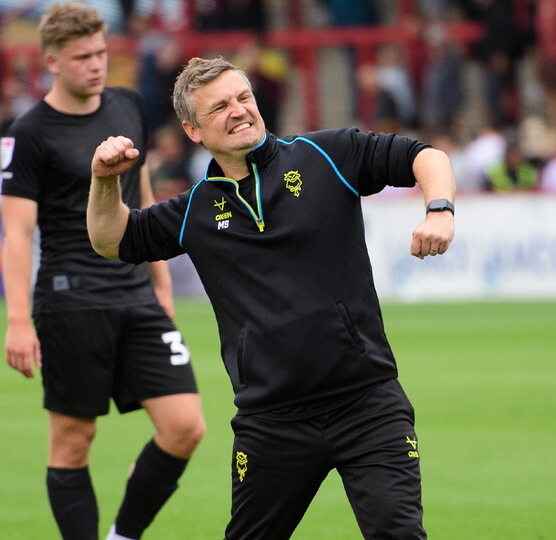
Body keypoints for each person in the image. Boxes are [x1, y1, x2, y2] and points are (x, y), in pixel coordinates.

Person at [87, 56, 456, 539]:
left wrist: (440, 209)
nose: (239, 110)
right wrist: (105, 180)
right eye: (220, 106)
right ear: (193, 130)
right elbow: (112, 240)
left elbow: (424, 156)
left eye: (243, 97)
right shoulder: (193, 210)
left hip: (367, 406)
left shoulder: (327, 155)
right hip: (271, 423)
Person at [0, 4, 204, 540]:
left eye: (102, 53)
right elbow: (17, 233)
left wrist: (160, 281)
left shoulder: (129, 104)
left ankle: (122, 535)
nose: (96, 65)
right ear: (52, 61)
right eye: (83, 57)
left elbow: (145, 195)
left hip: (135, 291)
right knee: (73, 442)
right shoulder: (28, 133)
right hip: (71, 300)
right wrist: (18, 321)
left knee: (185, 426)